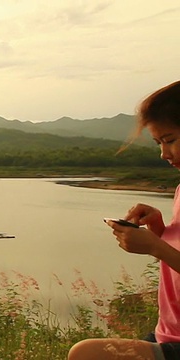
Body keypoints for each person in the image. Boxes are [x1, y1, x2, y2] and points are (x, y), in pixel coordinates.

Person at [68, 80, 180, 360]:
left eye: (170, 140)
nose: (164, 154)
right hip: (166, 332)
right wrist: (160, 231)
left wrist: (156, 247)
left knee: (85, 353)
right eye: (158, 143)